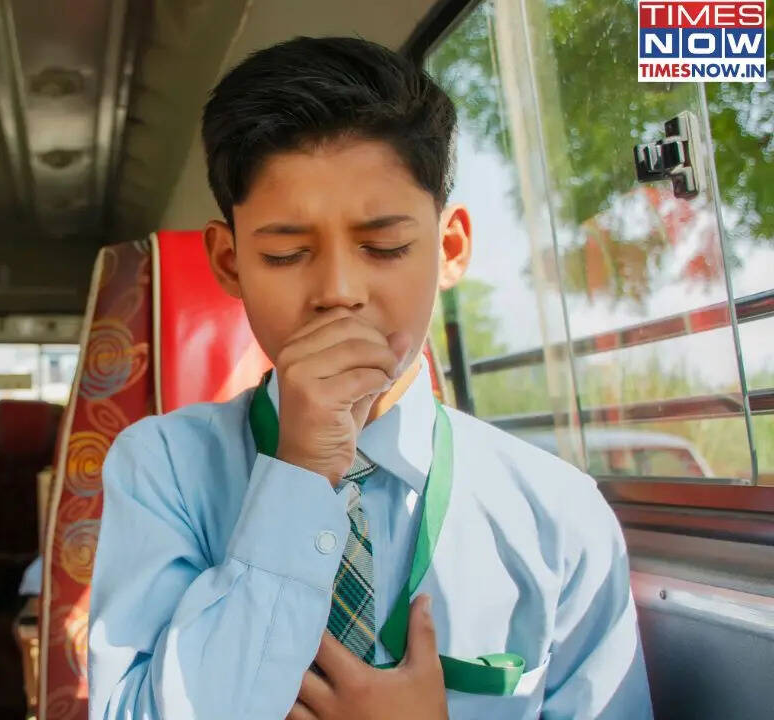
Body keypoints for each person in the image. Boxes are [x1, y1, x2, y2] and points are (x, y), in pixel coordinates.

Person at [86, 37, 651, 720]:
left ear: (449, 249)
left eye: (384, 247)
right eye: (286, 253)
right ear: (230, 263)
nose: (338, 291)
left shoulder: (557, 516)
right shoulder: (162, 470)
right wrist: (299, 474)